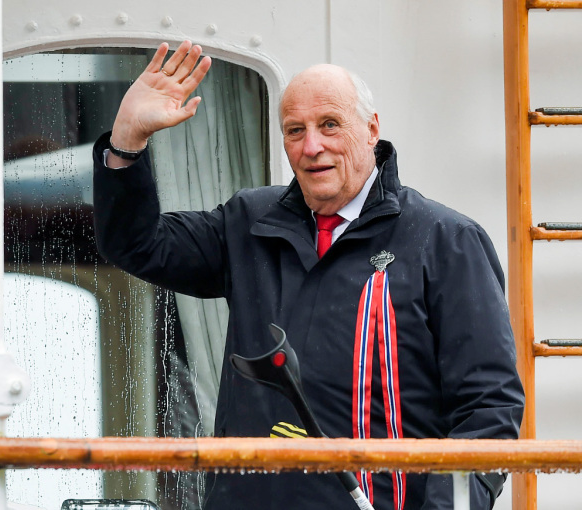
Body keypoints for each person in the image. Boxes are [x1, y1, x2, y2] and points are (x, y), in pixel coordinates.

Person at [93, 40, 524, 510]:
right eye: (295, 130)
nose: (311, 146)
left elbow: (488, 410)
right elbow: (138, 245)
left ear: (371, 129)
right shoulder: (248, 223)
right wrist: (126, 143)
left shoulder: (446, 240)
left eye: (330, 125)